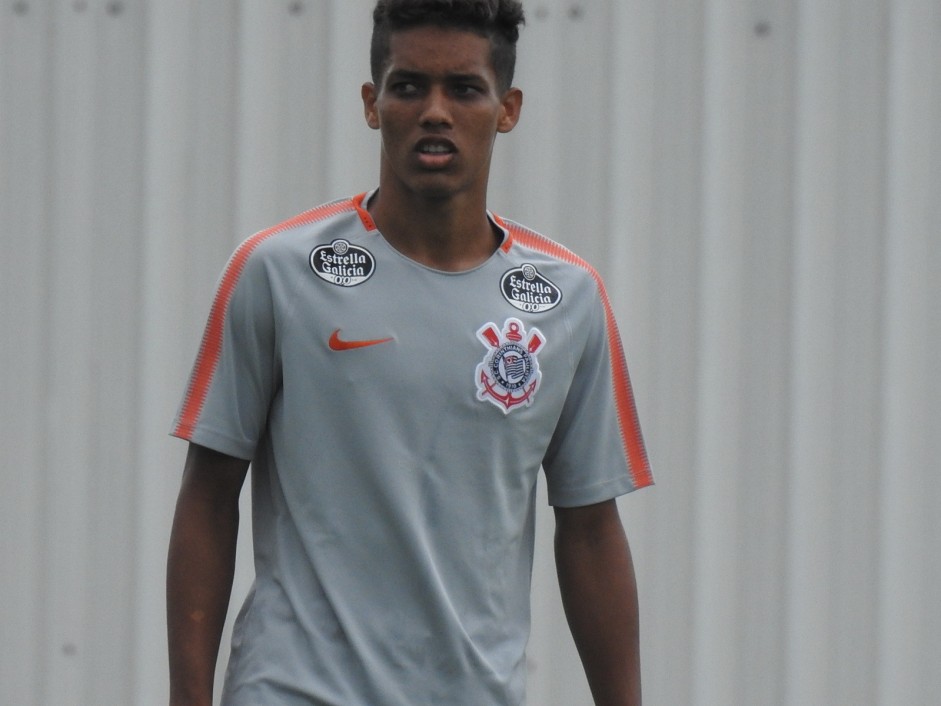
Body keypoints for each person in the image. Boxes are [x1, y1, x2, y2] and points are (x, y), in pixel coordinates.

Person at [166, 1, 653, 704]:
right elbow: (208, 499)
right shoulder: (278, 271)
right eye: (407, 86)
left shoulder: (567, 299)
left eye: (462, 89)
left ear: (506, 108)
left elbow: (588, 530)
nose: (434, 111)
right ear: (372, 104)